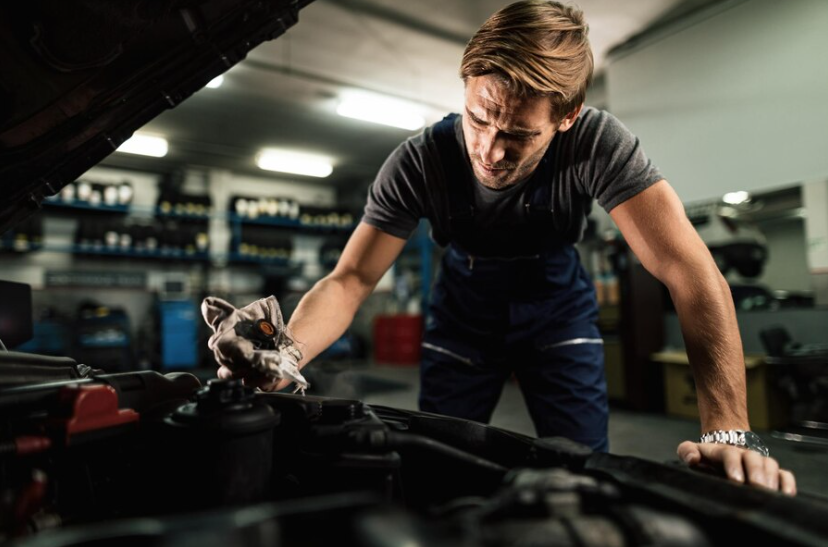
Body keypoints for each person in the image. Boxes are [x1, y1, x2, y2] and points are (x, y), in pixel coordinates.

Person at [220, 0, 796, 495]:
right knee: (430, 462)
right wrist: (288, 353)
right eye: (478, 120)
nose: (491, 151)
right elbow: (351, 279)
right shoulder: (420, 161)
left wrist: (728, 433)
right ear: (466, 92)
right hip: (463, 313)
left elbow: (689, 271)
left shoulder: (598, 144)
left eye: (518, 133)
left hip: (557, 309)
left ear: (567, 117)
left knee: (579, 469)